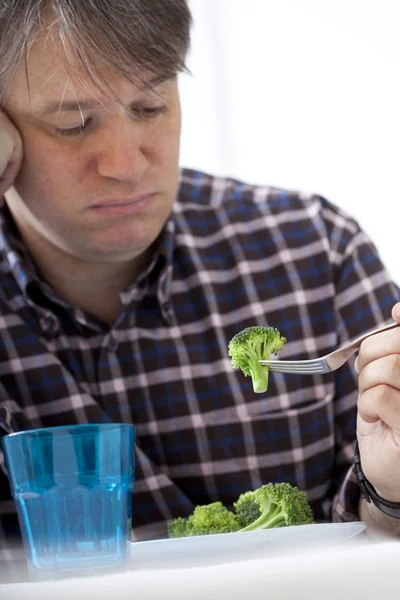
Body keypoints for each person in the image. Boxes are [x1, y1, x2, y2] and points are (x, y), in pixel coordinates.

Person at [0, 0, 400, 582]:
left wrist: (390, 494)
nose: (126, 164)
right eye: (73, 124)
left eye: (151, 105)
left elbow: (380, 553)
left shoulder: (316, 248)